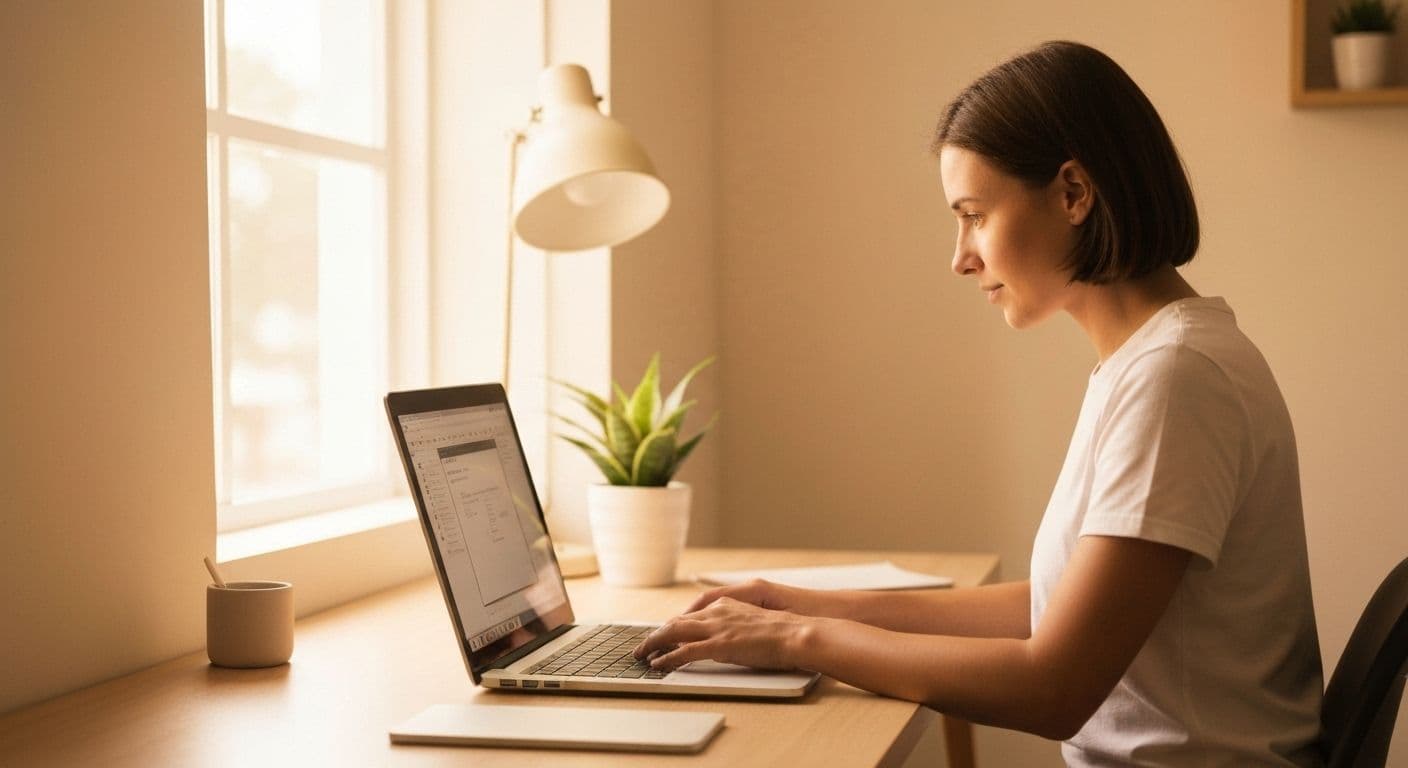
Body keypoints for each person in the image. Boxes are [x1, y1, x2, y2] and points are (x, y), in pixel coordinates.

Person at [633, 41, 1324, 767]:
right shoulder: (1153, 362)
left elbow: (1053, 686)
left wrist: (796, 642)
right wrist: (797, 604)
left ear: (1073, 194)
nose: (960, 256)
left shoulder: (1177, 377)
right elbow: (1057, 610)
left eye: (974, 215)